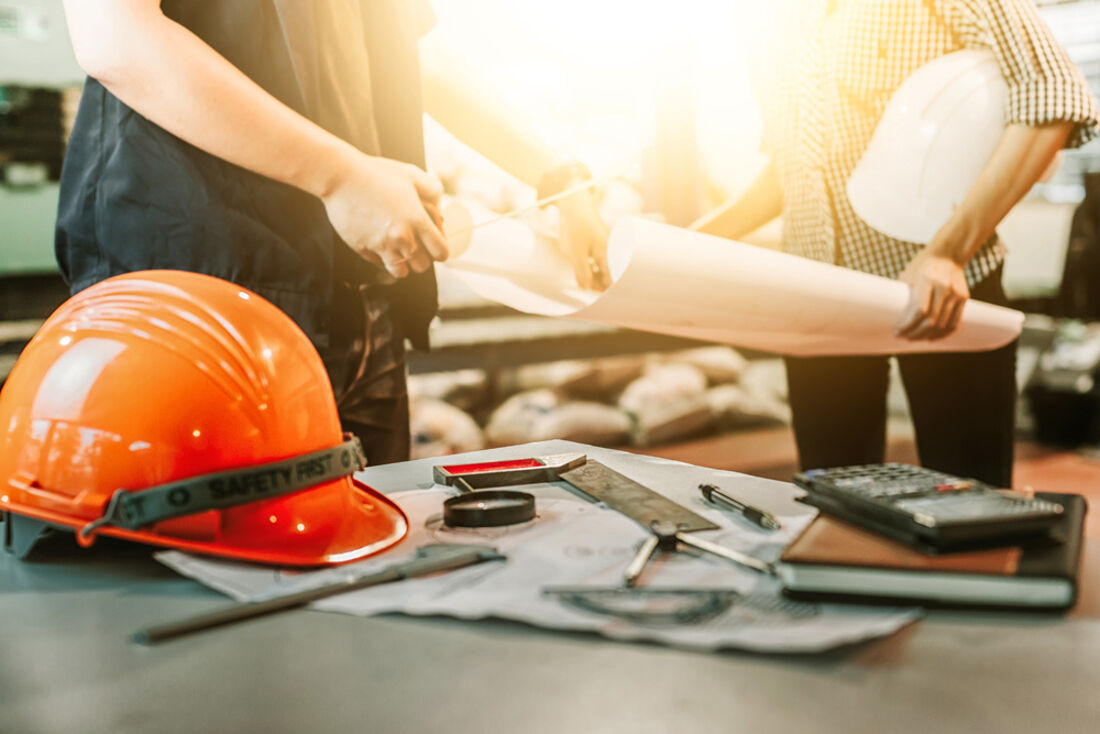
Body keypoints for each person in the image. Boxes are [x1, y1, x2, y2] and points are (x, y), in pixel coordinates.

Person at [56, 0, 609, 466]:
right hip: (205, 293)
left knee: (370, 557)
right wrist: (339, 176)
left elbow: (408, 43)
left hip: (361, 299)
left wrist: (553, 172)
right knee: (211, 574)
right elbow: (116, 35)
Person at [694, 0, 1099, 486]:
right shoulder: (773, 22)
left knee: (967, 498)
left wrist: (948, 252)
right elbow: (794, 162)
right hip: (819, 298)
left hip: (943, 290)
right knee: (835, 499)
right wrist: (693, 241)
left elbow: (1053, 99)